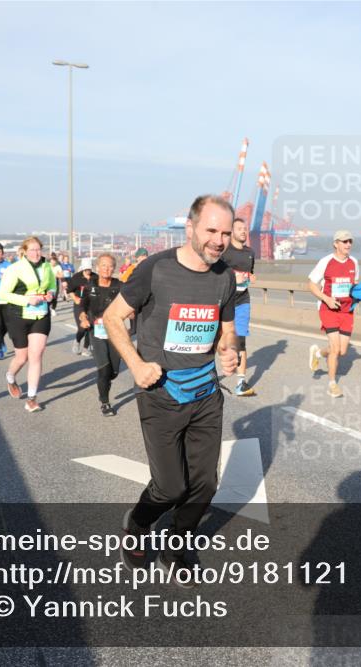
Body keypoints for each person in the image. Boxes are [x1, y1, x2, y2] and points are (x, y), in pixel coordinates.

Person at [103, 194, 237, 584]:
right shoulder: (155, 269)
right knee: (169, 486)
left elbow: (226, 332)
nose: (219, 240)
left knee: (205, 484)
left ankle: (178, 544)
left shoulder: (224, 277)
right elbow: (113, 318)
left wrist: (229, 353)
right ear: (192, 227)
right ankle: (138, 527)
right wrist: (136, 364)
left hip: (206, 395)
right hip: (162, 394)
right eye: (211, 230)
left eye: (226, 233)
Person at [0, 236, 57, 412]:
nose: (36, 253)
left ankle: (31, 399)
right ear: (24, 251)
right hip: (19, 316)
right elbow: (3, 294)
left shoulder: (47, 266)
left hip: (41, 315)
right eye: (32, 249)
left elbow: (53, 285)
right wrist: (26, 300)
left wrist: (51, 295)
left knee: (36, 355)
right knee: (22, 357)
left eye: (38, 249)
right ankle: (10, 377)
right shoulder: (15, 268)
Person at [307, 229, 359, 398]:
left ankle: (318, 353)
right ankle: (332, 384)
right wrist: (327, 299)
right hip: (328, 309)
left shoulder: (354, 263)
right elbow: (311, 284)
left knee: (342, 351)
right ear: (336, 243)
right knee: (335, 349)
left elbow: (354, 284)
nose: (348, 244)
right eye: (344, 241)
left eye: (350, 241)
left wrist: (359, 294)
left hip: (347, 311)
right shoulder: (326, 261)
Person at [76, 253, 125, 416]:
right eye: (103, 265)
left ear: (114, 268)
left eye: (110, 266)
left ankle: (104, 383)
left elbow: (130, 304)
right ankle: (105, 403)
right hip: (96, 330)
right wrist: (83, 318)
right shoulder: (89, 286)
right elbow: (81, 306)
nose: (107, 269)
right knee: (104, 370)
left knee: (113, 372)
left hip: (115, 332)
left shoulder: (120, 286)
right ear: (98, 267)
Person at [220, 217, 257, 396]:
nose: (243, 231)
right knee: (220, 339)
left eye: (245, 228)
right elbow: (215, 274)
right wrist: (232, 278)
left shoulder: (250, 252)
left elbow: (250, 272)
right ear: (232, 231)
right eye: (239, 228)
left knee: (241, 340)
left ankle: (241, 383)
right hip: (223, 301)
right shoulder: (225, 251)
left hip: (242, 301)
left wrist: (251, 277)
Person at [68, 258, 96, 356]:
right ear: (83, 268)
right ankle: (77, 341)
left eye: (90, 269)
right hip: (79, 305)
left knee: (90, 327)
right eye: (87, 269)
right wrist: (75, 298)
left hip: (92, 305)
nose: (89, 271)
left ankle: (86, 348)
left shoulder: (95, 277)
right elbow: (70, 290)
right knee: (82, 328)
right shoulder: (76, 277)